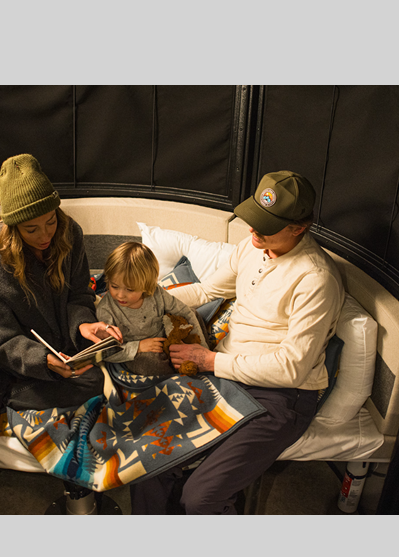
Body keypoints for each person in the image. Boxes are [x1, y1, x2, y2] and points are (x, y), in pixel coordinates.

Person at [129, 170, 345, 514]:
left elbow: (292, 368)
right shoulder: (251, 247)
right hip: (224, 377)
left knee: (200, 498)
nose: (253, 230)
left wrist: (209, 360)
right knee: (146, 459)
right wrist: (142, 303)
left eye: (266, 226)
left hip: (280, 397)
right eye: (254, 219)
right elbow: (206, 291)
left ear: (298, 228)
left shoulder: (315, 279)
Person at [0, 154, 119, 514]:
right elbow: (2, 340)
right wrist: (42, 361)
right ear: (12, 227)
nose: (45, 235)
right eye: (32, 229)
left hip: (51, 336)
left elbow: (79, 295)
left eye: (50, 221)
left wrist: (83, 324)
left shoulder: (69, 232)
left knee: (92, 384)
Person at [96, 241, 208, 376]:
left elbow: (184, 311)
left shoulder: (156, 292)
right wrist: (138, 347)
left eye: (130, 289)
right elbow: (106, 352)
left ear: (146, 286)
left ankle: (196, 360)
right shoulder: (106, 310)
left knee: (193, 314)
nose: (120, 295)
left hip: (166, 340)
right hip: (136, 352)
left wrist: (202, 351)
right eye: (114, 286)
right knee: (150, 363)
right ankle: (176, 373)